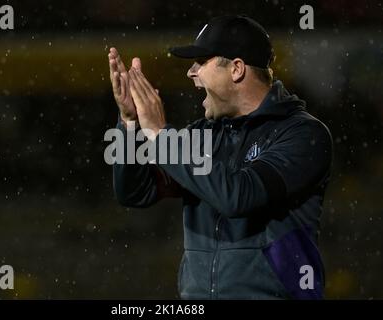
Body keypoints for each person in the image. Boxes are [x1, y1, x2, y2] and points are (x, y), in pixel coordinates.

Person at [107, 15, 333, 299]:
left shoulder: (303, 134)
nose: (191, 72)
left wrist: (161, 134)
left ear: (236, 69)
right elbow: (134, 193)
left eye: (201, 62)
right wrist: (129, 124)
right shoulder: (202, 135)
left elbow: (239, 196)